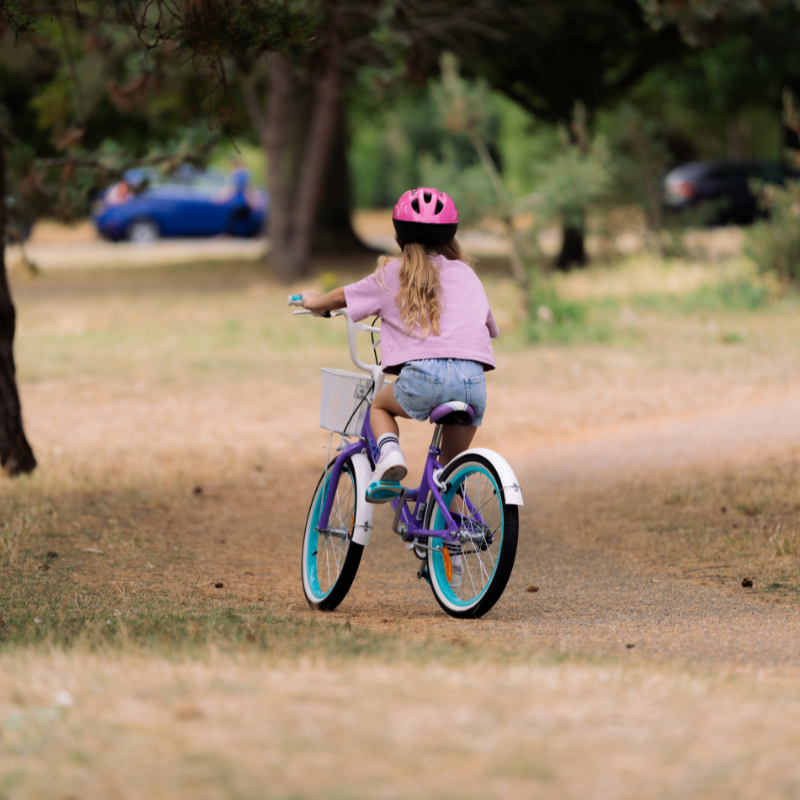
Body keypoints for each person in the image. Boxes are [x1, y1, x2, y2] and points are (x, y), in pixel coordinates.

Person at [299, 187, 499, 504]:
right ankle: (453, 543)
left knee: (378, 405)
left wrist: (312, 302)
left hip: (424, 378)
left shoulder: (392, 274)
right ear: (450, 236)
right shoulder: (468, 275)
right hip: (473, 384)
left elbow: (341, 297)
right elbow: (489, 328)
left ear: (399, 236)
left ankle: (391, 454)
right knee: (448, 476)